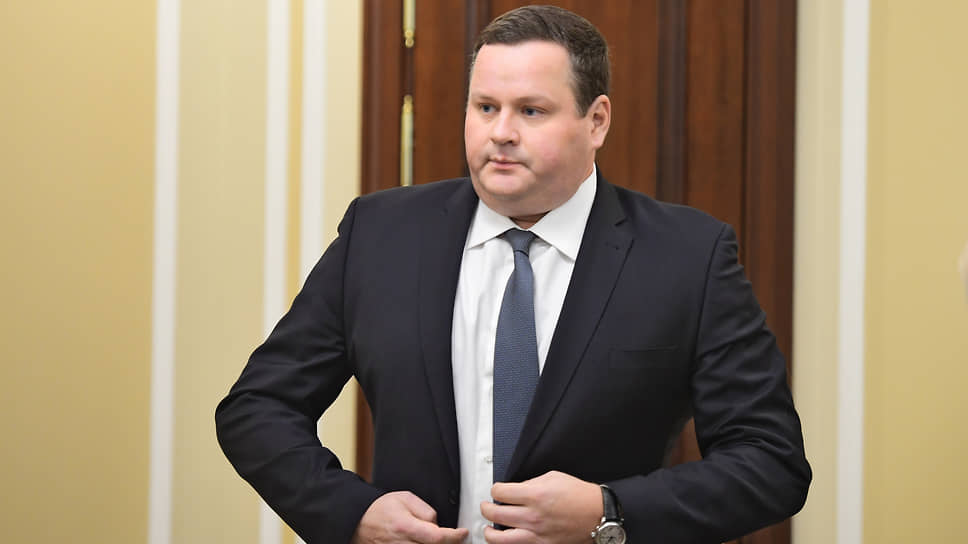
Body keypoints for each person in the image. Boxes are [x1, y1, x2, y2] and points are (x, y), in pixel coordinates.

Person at [216, 6, 810, 544]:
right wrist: (352, 514)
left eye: (531, 110)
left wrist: (610, 512)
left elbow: (770, 463)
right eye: (485, 108)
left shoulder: (688, 256)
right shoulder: (381, 234)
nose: (500, 132)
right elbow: (258, 408)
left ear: (596, 121)